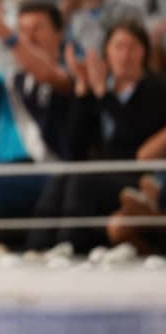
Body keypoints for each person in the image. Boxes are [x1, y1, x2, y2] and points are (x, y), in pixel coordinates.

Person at [28, 20, 166, 253]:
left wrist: (103, 95)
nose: (125, 55)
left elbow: (132, 138)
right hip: (103, 172)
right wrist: (83, 90)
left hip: (139, 176)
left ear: (144, 52)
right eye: (118, 47)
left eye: (132, 47)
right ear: (107, 54)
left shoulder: (157, 89)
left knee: (83, 181)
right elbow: (75, 148)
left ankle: (70, 248)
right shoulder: (102, 90)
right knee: (63, 177)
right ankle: (36, 249)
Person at [0, 1, 73, 251]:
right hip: (5, 176)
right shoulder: (9, 80)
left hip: (50, 174)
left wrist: (2, 29)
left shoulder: (69, 74)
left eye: (37, 28)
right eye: (22, 29)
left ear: (59, 34)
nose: (28, 36)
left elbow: (44, 73)